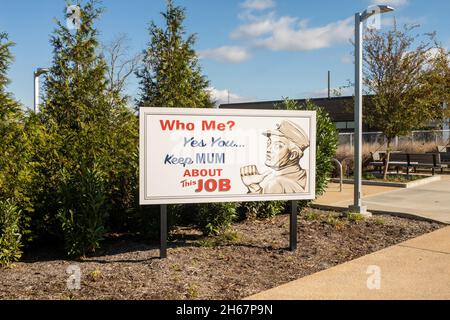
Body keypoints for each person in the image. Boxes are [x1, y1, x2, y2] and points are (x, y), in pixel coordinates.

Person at [240, 120, 310, 194]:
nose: (268, 150)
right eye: (269, 143)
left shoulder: (276, 184)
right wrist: (255, 188)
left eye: (277, 146)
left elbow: (266, 205)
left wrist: (255, 191)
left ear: (293, 155)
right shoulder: (308, 174)